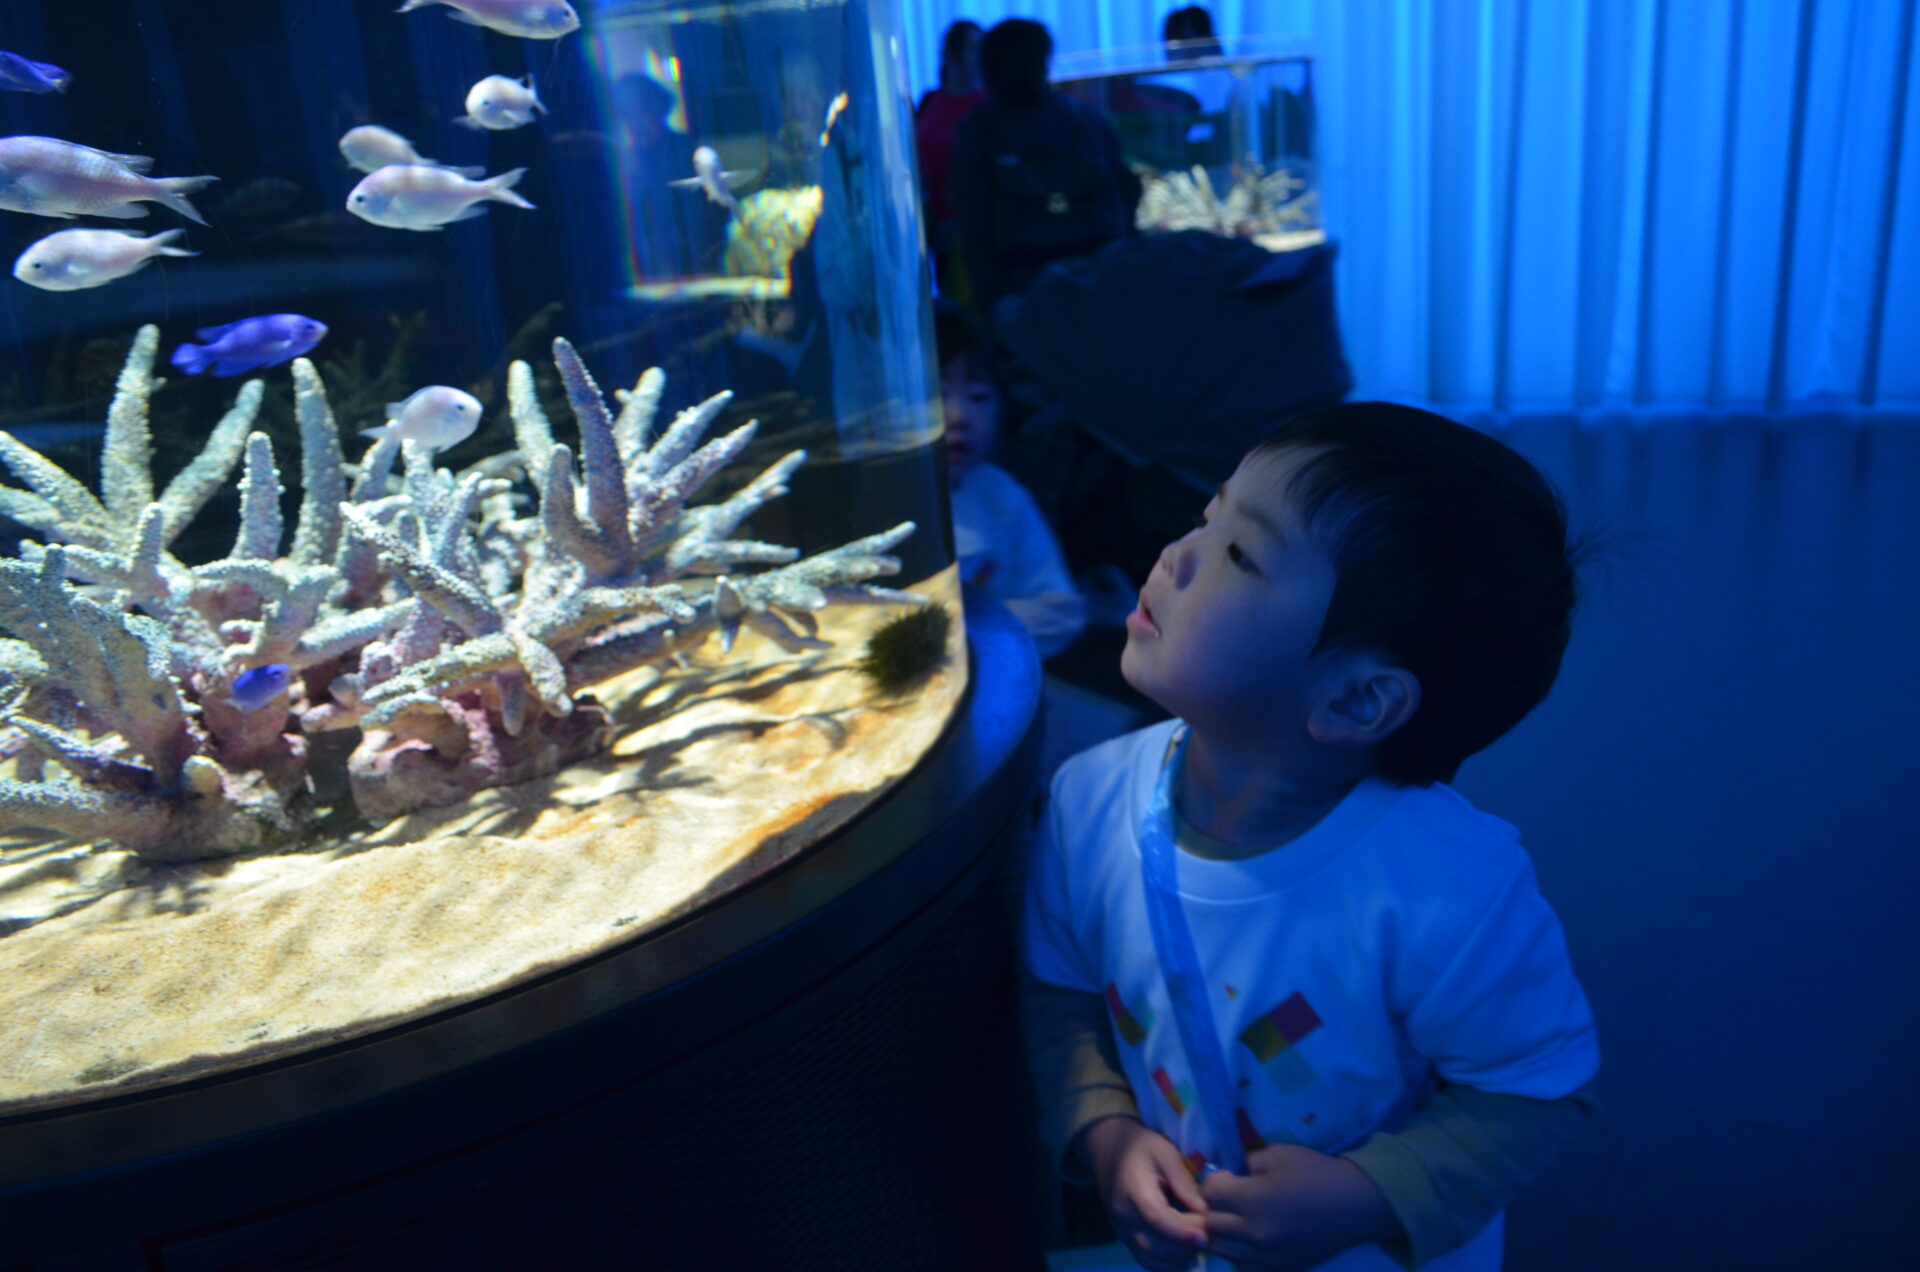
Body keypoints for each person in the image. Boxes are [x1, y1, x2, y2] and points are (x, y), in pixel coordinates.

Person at [1021, 403, 1600, 1271]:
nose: (1178, 555)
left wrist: (1366, 1194)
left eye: (1240, 555)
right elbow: (1061, 991)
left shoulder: (1452, 888)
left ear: (1358, 700)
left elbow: (1535, 1092)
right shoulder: (1086, 799)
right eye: (1207, 516)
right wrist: (1105, 1132)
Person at [951, 18, 1140, 312]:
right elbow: (1127, 202)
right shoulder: (1088, 124)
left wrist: (989, 308)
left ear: (987, 67)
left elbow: (974, 229)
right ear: (1045, 61)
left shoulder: (977, 132)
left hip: (1019, 300)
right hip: (1098, 293)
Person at [935, 300, 1085, 659]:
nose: (959, 416)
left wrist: (974, 624)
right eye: (934, 396)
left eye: (978, 396)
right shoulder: (881, 497)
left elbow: (1064, 612)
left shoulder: (1000, 494)